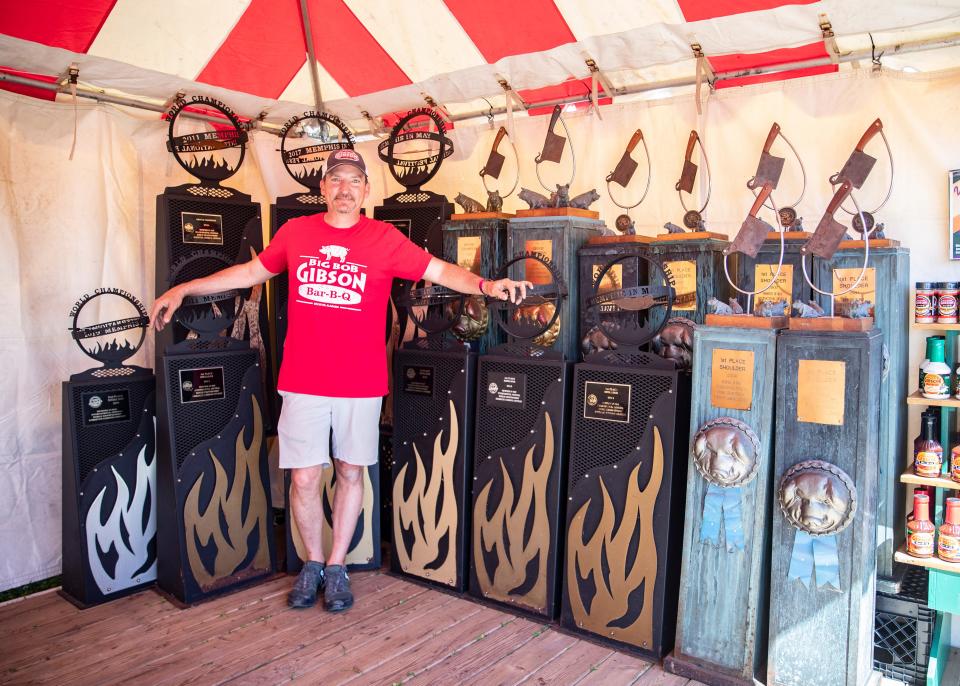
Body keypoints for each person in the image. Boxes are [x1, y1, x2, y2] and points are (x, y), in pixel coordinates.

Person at [150, 148, 531, 612]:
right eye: (336, 180)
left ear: (367, 190)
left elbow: (439, 271)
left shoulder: (384, 238)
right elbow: (250, 273)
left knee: (351, 471)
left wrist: (488, 286)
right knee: (305, 478)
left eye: (354, 181)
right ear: (323, 188)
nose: (345, 189)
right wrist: (183, 287)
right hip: (304, 380)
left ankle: (336, 566)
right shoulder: (296, 232)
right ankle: (312, 563)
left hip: (361, 382)